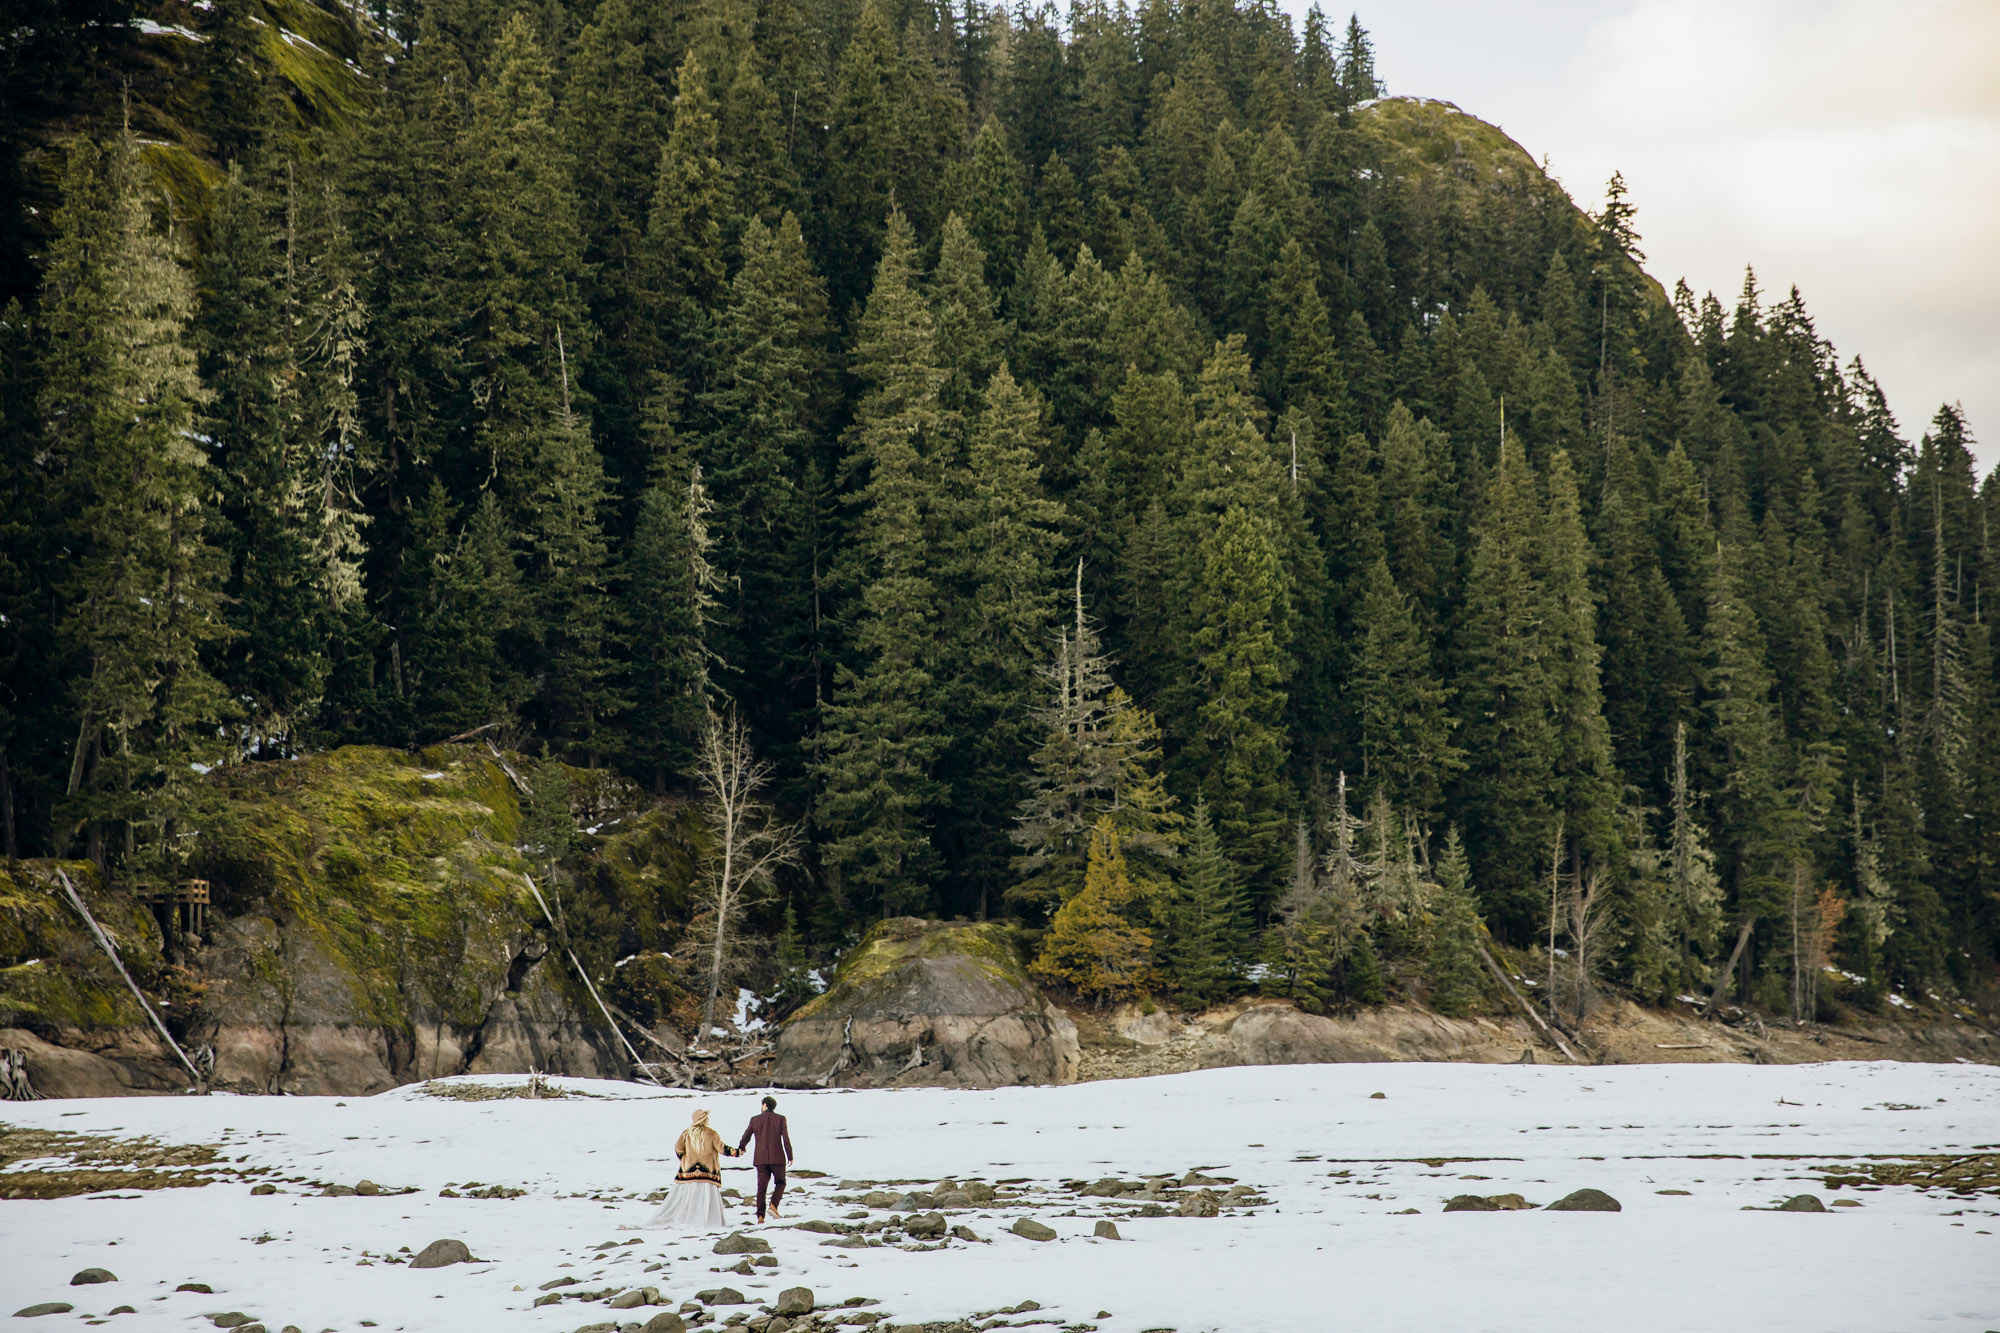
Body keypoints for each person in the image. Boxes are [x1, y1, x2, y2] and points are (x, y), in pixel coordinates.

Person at [641, 1108, 743, 1230]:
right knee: (706, 1199)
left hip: (688, 1173)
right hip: (708, 1173)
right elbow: (722, 1148)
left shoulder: (686, 1133)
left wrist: (685, 1160)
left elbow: (678, 1149)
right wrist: (736, 1152)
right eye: (707, 1118)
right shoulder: (711, 1133)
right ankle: (706, 1221)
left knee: (686, 1199)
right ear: (704, 1120)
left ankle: (686, 1219)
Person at [737, 1094, 794, 1223]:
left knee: (761, 1188)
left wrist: (742, 1147)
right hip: (777, 1158)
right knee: (780, 1182)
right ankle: (773, 1206)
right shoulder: (780, 1119)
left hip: (760, 1159)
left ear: (764, 1105)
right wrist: (790, 1155)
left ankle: (760, 1217)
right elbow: (785, 1138)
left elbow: (746, 1135)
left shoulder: (755, 1120)